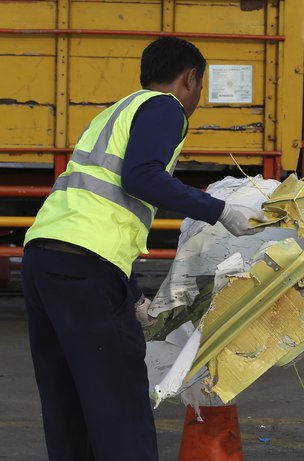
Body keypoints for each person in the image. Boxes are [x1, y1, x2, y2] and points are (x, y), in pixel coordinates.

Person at [21, 37, 265, 461]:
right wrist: (221, 210)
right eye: (200, 88)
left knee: (67, 405)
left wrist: (132, 296)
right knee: (119, 405)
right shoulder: (164, 107)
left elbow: (104, 210)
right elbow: (142, 178)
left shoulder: (114, 112)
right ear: (190, 78)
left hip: (45, 261)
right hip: (86, 269)